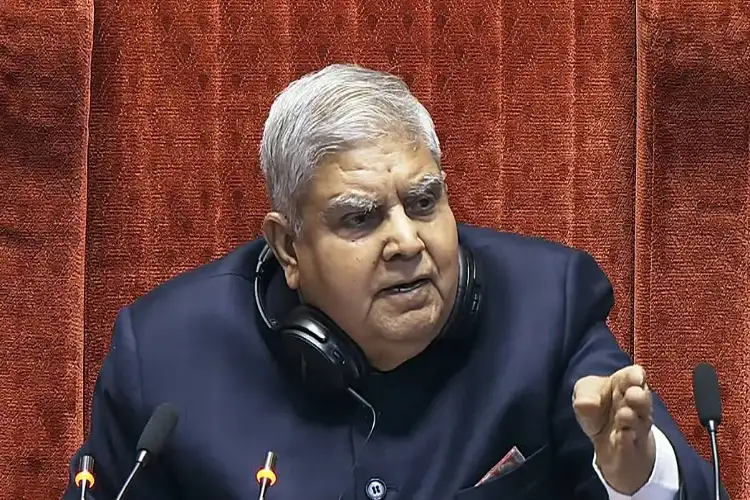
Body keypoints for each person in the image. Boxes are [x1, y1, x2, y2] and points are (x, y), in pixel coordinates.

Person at [63, 64, 719, 500]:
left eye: (424, 202)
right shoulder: (165, 354)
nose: (407, 241)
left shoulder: (547, 305)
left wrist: (635, 476)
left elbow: (677, 483)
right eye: (360, 218)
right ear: (289, 247)